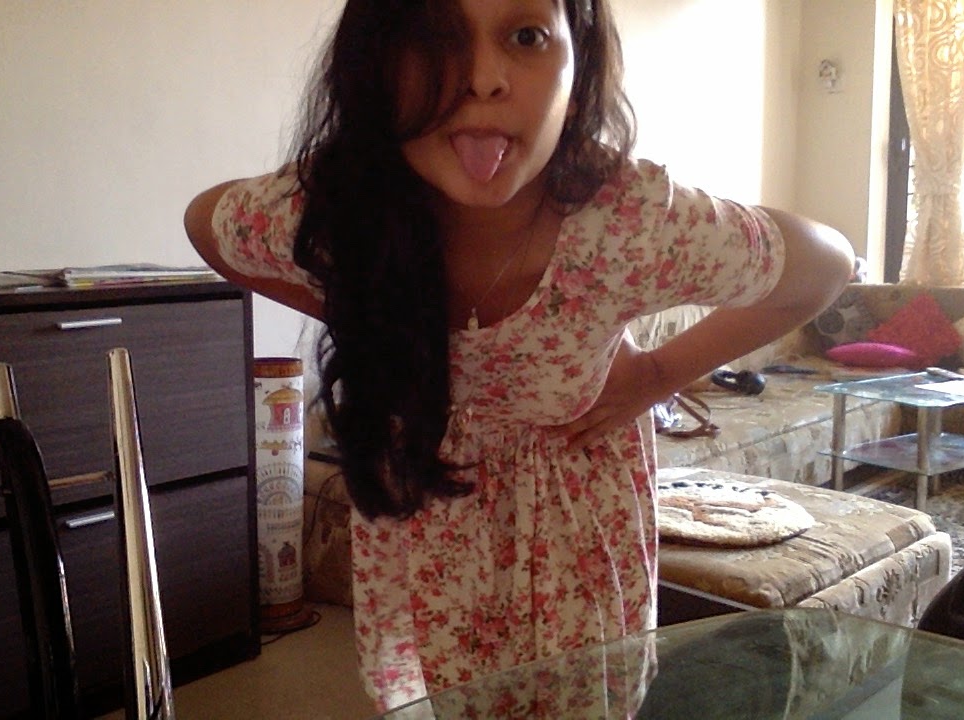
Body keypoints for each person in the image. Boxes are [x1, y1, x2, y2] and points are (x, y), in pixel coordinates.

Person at [186, 0, 855, 711]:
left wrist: (657, 374)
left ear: (580, 68)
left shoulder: (627, 221)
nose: (483, 77)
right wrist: (360, 308)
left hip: (574, 546)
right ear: (374, 65)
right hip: (426, 527)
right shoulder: (344, 205)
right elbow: (208, 226)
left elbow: (826, 266)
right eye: (434, 36)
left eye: (527, 35)